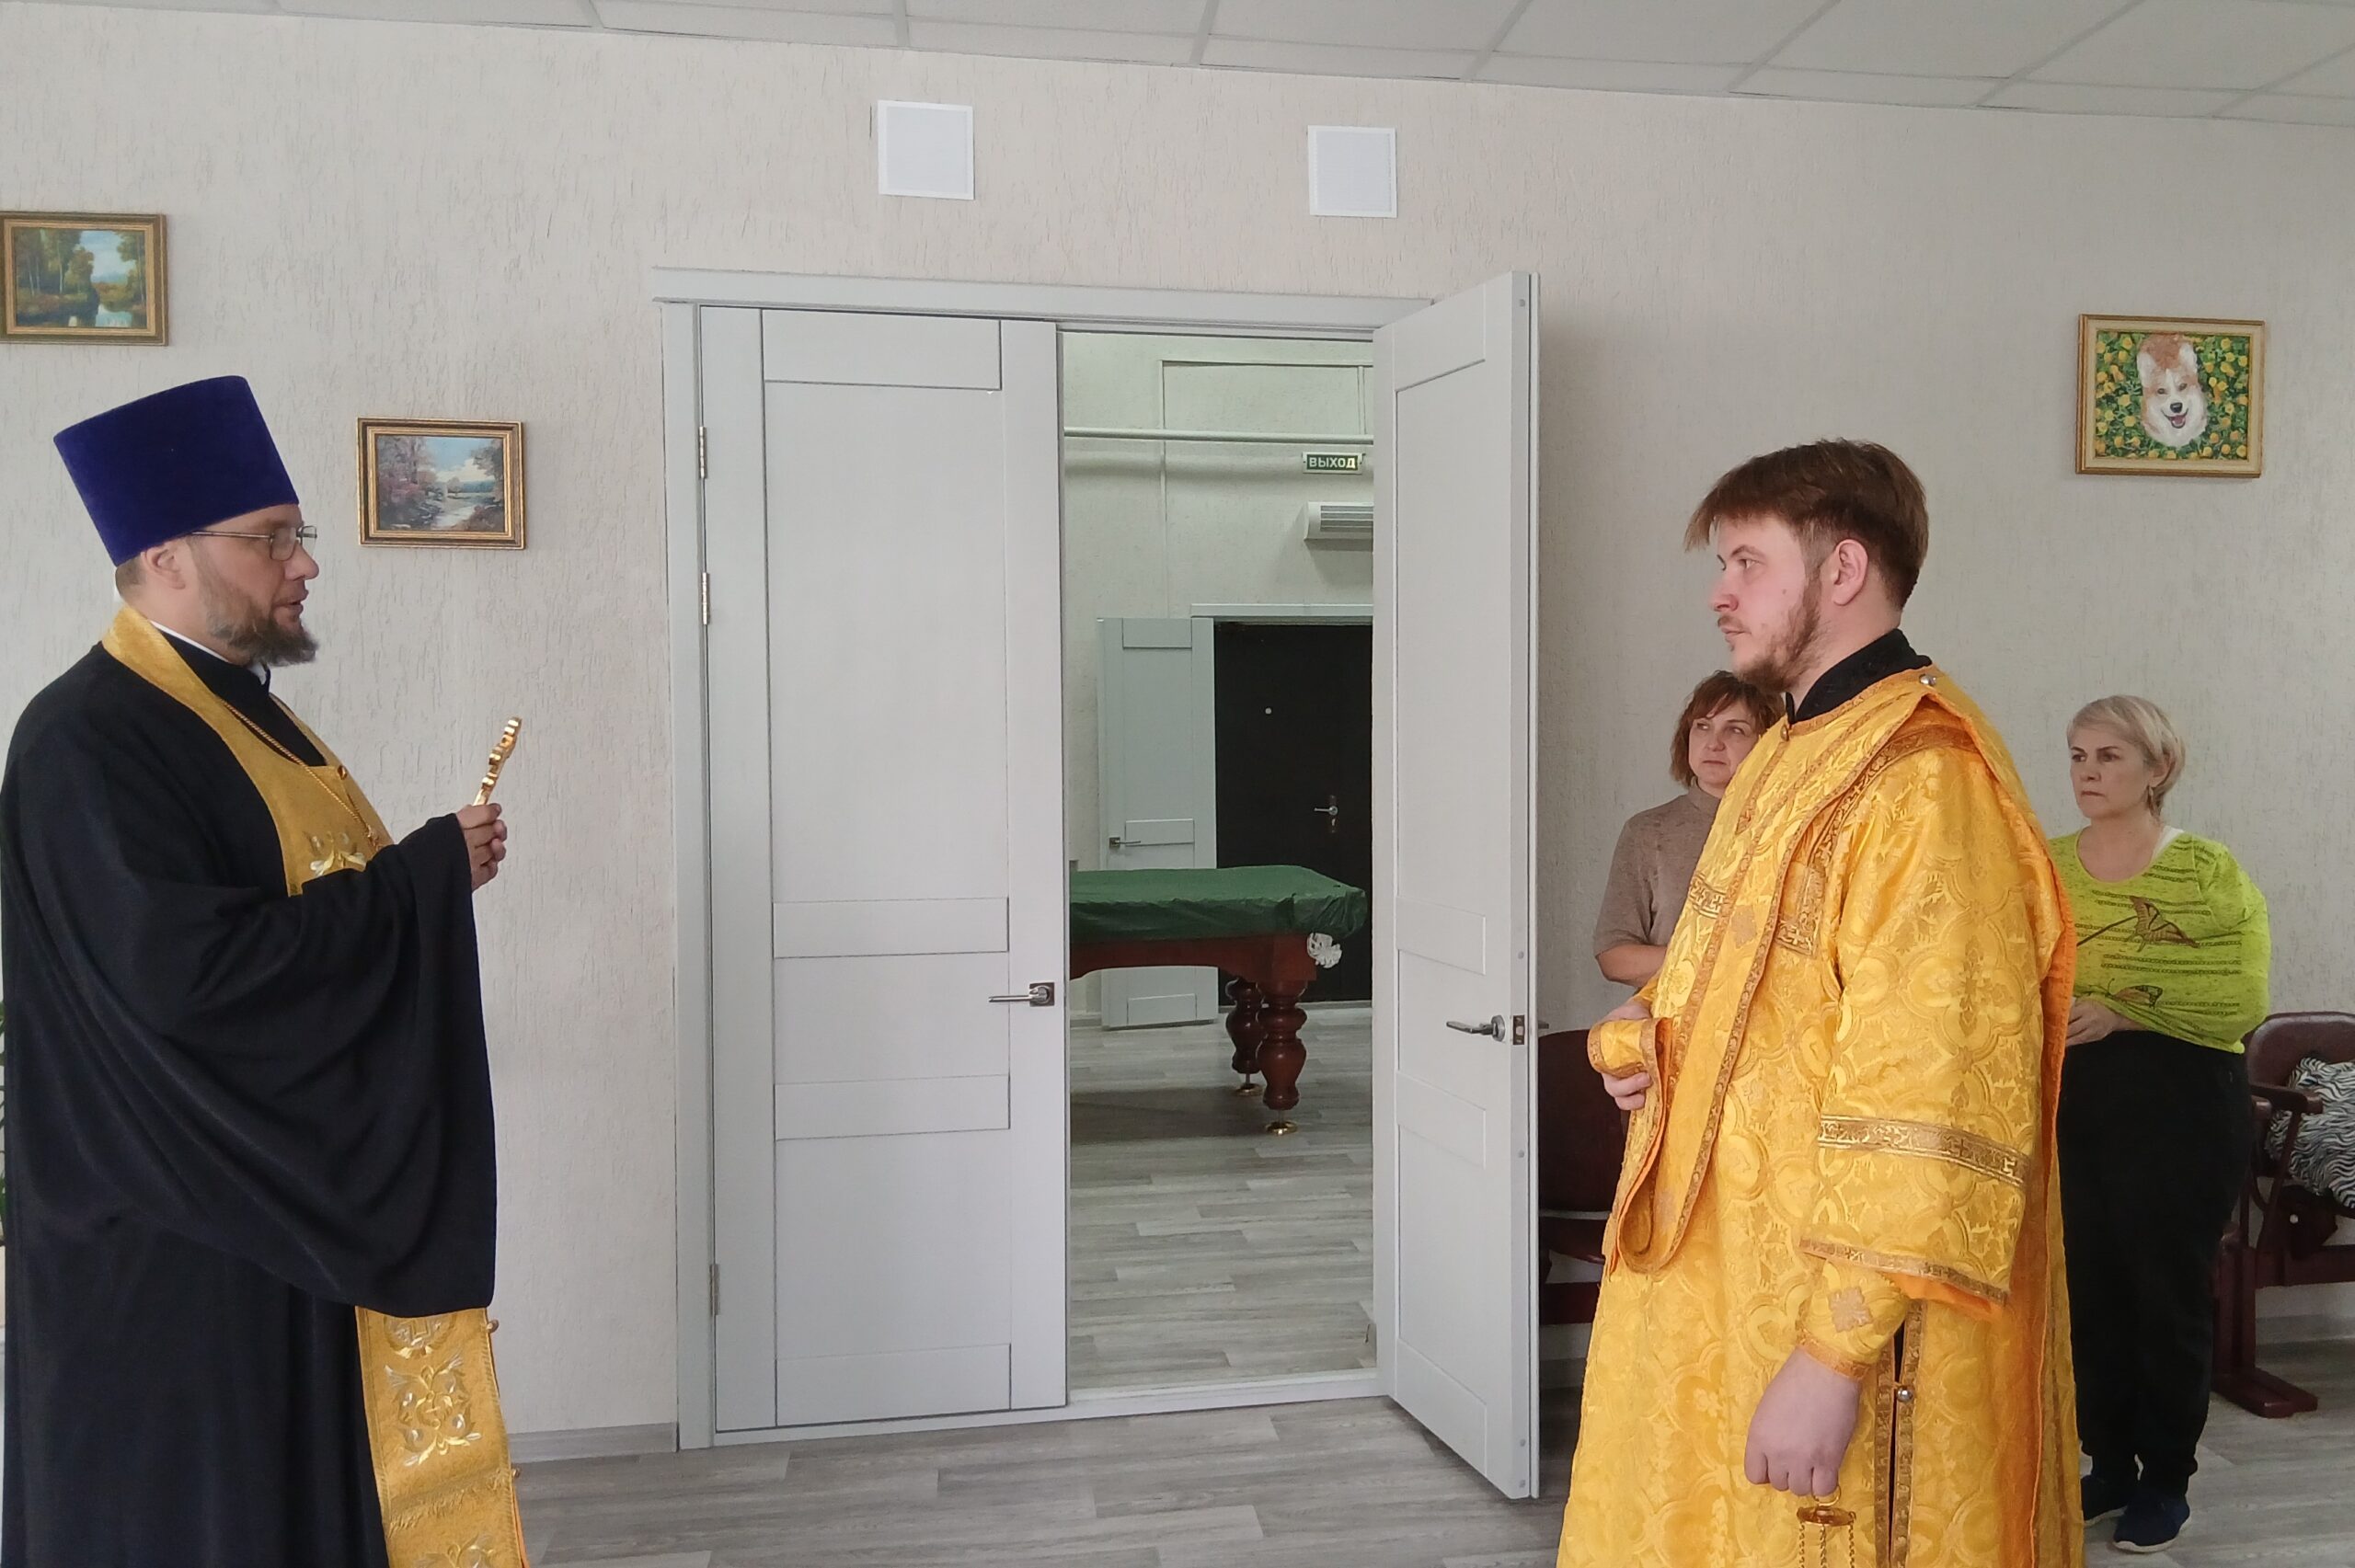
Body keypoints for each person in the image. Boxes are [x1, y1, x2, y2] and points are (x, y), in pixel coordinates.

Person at [0, 377, 523, 1566]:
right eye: (273, 539)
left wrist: (421, 884)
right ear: (166, 556)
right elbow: (188, 981)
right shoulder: (88, 738)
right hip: (167, 1247)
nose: (305, 565)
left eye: (299, 535)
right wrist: (421, 881)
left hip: (264, 1208)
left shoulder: (238, 711)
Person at [1559, 441, 2081, 1567]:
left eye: (1746, 561)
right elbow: (1717, 973)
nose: (1719, 592)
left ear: (1842, 569)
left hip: (1836, 1313)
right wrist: (1642, 1041)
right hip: (1725, 1276)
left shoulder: (1922, 781)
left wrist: (1831, 1357)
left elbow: (1933, 1085)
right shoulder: (1789, 749)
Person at [2052, 696, 2269, 1553]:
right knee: (2091, 1290)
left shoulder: (2206, 870)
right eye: (2077, 755)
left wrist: (2122, 1011)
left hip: (2184, 1102)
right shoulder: (2047, 863)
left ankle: (2166, 1478)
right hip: (2078, 1104)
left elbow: (2242, 992)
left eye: (2108, 755)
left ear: (2158, 767)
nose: (2087, 772)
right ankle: (2108, 1464)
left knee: (2166, 1293)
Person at [1593, 671, 1775, 987]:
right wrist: (1714, 963)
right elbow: (1614, 957)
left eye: (1735, 730)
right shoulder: (1649, 832)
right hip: (1670, 1013)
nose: (1714, 743)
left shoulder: (1787, 827)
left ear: (1767, 742)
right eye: (1702, 726)